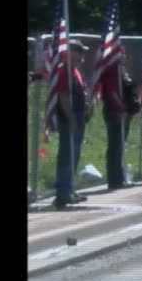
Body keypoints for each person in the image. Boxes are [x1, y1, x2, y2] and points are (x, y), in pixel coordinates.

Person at [52, 40, 90, 209]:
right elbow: (63, 96)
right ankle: (63, 193)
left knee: (74, 154)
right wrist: (71, 118)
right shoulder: (64, 72)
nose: (82, 55)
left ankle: (70, 189)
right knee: (67, 155)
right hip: (69, 119)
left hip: (79, 117)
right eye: (79, 51)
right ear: (70, 53)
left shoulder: (75, 71)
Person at [97, 58, 131, 190]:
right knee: (115, 147)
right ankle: (114, 179)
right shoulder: (111, 72)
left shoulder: (120, 72)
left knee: (119, 146)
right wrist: (120, 108)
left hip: (123, 112)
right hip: (114, 112)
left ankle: (119, 177)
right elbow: (112, 92)